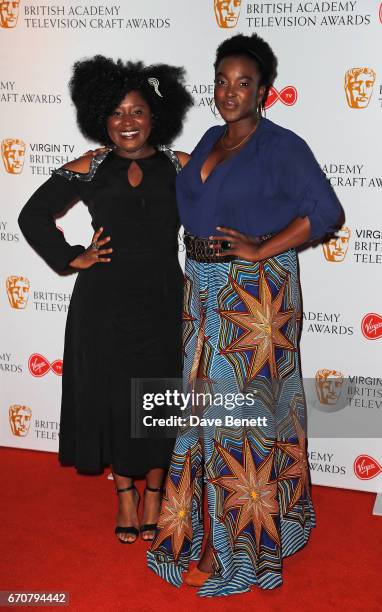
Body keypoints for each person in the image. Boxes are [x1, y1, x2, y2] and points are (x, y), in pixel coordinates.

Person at [147, 33, 342, 595]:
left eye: (244, 83)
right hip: (202, 292)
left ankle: (233, 545)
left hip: (254, 293)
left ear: (264, 91)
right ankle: (208, 526)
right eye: (222, 81)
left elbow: (325, 211)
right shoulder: (210, 137)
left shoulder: (282, 145)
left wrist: (261, 247)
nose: (230, 93)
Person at [18, 56, 192, 544]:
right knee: (115, 395)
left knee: (162, 394)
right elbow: (32, 216)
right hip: (104, 301)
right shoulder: (91, 166)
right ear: (102, 119)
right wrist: (75, 256)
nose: (127, 122)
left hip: (162, 297)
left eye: (137, 111)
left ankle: (156, 491)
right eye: (116, 113)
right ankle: (125, 495)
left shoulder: (181, 166)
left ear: (156, 114)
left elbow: (223, 207)